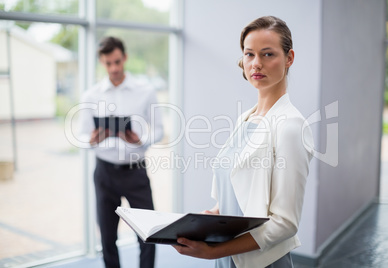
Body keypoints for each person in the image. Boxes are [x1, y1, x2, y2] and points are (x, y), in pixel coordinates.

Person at [173, 16, 314, 268]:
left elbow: (285, 223)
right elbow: (238, 196)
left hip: (259, 262)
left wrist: (213, 252)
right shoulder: (246, 118)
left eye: (268, 54)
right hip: (228, 259)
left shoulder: (291, 127)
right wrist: (208, 218)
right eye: (249, 54)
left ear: (289, 58)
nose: (256, 64)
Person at [79, 36, 164, 268]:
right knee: (107, 237)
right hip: (104, 173)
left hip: (135, 172)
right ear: (102, 62)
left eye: (117, 61)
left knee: (148, 234)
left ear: (124, 58)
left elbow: (158, 130)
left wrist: (140, 140)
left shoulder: (145, 91)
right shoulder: (91, 96)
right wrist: (92, 139)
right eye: (108, 63)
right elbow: (81, 136)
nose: (114, 68)